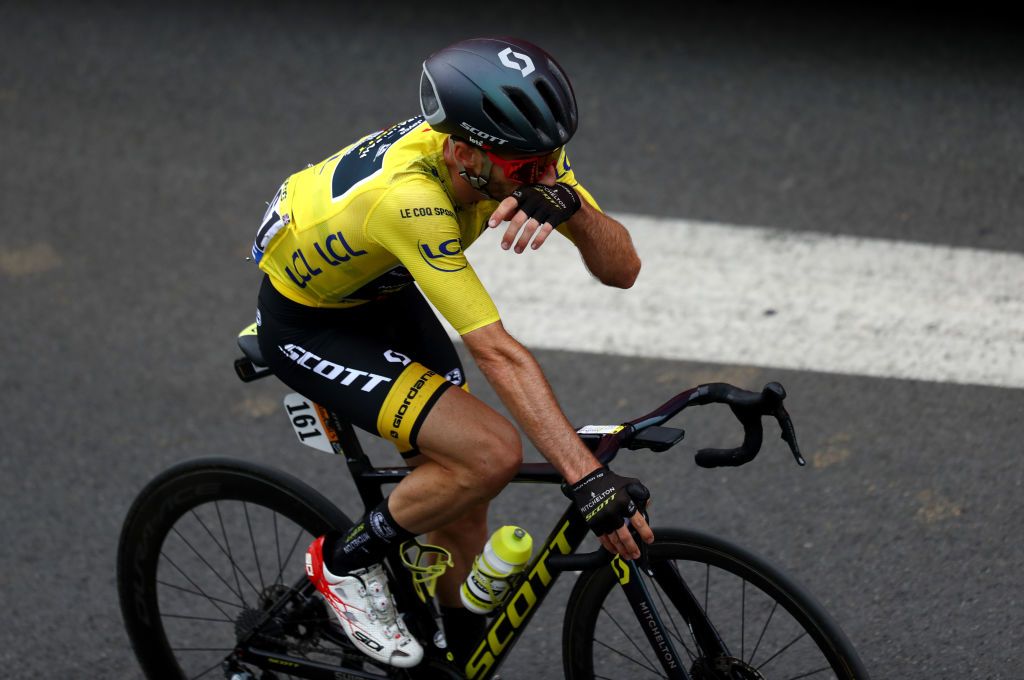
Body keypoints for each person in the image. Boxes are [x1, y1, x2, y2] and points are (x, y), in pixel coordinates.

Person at [250, 36, 654, 669]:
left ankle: (457, 661)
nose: (544, 176)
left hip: (382, 295)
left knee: (465, 502)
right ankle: (340, 564)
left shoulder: (519, 152)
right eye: (527, 170)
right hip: (311, 325)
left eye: (553, 161)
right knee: (489, 454)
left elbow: (623, 269)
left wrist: (572, 208)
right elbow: (495, 350)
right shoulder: (411, 201)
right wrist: (588, 477)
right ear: (464, 150)